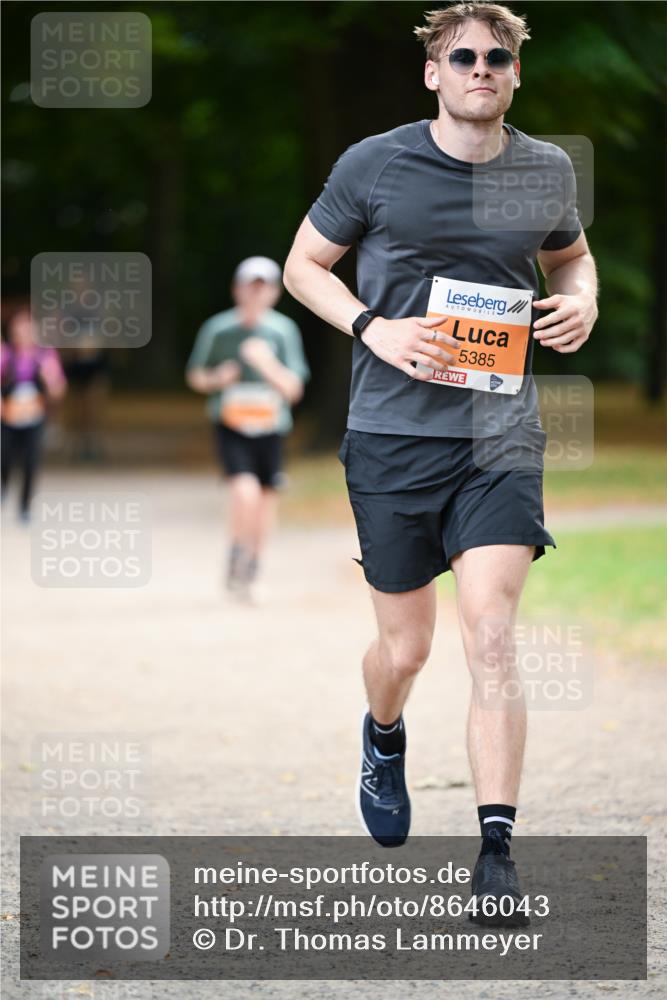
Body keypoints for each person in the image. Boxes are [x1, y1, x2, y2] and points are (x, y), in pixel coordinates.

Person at [284, 2, 598, 924]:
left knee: (491, 632)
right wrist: (371, 328)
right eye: (461, 56)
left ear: (512, 74)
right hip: (389, 436)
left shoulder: (543, 168)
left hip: (498, 435)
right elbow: (305, 266)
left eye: (497, 58)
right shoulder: (374, 163)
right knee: (406, 647)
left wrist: (580, 301)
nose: (480, 69)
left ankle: (495, 849)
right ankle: (383, 736)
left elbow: (572, 260)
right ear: (432, 72)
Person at [186, 256, 310, 601]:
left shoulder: (283, 331)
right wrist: (217, 378)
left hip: (271, 426)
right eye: (249, 286)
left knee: (266, 500)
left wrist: (265, 363)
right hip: (232, 423)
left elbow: (293, 388)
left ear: (273, 292)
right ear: (237, 289)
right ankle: (237, 553)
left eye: (263, 287)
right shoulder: (219, 329)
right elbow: (196, 375)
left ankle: (253, 565)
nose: (256, 294)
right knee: (245, 492)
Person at [1, 308, 67, 521]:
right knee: (4, 457)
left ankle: (25, 505)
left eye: (28, 327)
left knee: (31, 460)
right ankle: (3, 487)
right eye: (19, 327)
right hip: (7, 417)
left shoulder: (46, 355)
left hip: (34, 417)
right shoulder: (5, 354)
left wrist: (51, 382)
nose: (24, 332)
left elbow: (58, 390)